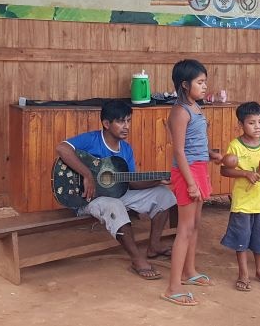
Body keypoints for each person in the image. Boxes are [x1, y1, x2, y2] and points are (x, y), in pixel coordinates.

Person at [56, 99, 177, 280]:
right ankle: (137, 259)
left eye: (128, 121)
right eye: (121, 121)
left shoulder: (126, 149)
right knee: (114, 205)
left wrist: (157, 180)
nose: (126, 126)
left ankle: (154, 245)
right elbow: (62, 148)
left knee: (164, 195)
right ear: (106, 123)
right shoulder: (92, 140)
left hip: (119, 193)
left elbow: (132, 182)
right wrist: (87, 175)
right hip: (86, 199)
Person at [161, 59, 222, 306]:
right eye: (200, 82)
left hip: (199, 169)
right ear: (185, 85)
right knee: (184, 230)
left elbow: (196, 146)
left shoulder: (196, 107)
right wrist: (190, 182)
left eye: (205, 81)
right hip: (187, 173)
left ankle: (189, 272)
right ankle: (172, 287)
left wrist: (211, 155)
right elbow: (179, 152)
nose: (205, 86)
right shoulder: (179, 111)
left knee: (195, 225)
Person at [220, 102, 260, 291]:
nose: (257, 127)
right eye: (251, 123)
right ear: (241, 124)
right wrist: (245, 173)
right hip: (242, 204)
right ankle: (243, 273)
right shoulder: (235, 146)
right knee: (242, 239)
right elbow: (225, 170)